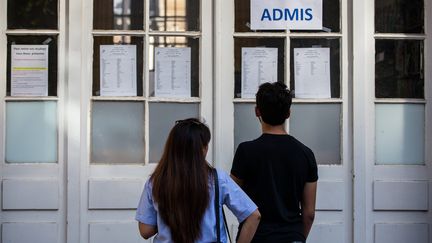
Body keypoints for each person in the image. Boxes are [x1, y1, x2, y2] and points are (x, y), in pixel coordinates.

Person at [136, 118, 261, 243]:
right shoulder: (218, 179)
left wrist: (168, 215)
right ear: (204, 148)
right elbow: (254, 216)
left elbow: (145, 231)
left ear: (172, 148)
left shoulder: (156, 182)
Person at [230, 82, 318, 243]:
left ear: (257, 111)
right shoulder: (306, 154)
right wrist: (298, 237)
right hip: (292, 236)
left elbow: (232, 195)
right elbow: (309, 213)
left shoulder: (246, 151)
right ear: (288, 113)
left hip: (255, 237)